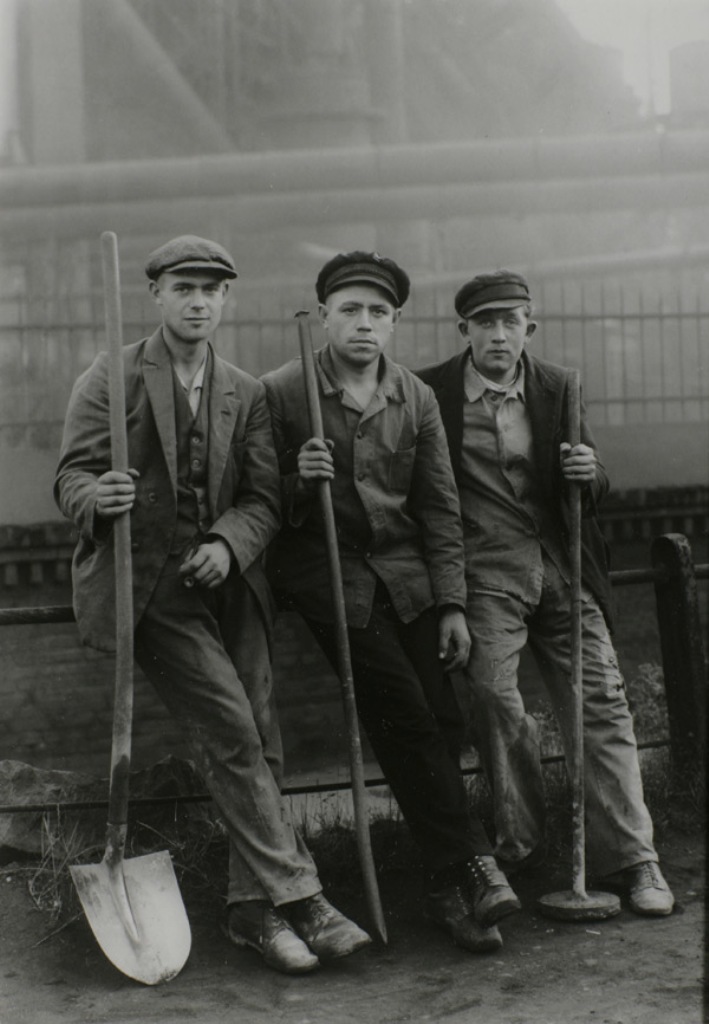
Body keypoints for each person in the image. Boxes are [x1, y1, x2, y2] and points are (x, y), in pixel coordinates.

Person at [54, 235, 372, 975]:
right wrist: (98, 497)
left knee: (262, 737)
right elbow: (69, 477)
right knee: (231, 728)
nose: (199, 302)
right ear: (157, 296)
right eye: (184, 288)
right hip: (151, 586)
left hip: (231, 582)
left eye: (212, 290)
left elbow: (262, 498)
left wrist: (229, 544)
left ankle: (248, 912)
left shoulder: (245, 391)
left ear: (226, 300)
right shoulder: (113, 373)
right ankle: (303, 898)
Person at [262, 251, 521, 955]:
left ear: (395, 321)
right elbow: (250, 499)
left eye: (378, 312)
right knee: (403, 710)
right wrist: (294, 479)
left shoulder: (414, 397)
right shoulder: (282, 391)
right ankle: (473, 862)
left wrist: (452, 606)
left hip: (405, 576)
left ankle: (444, 889)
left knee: (441, 716)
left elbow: (438, 509)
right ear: (325, 316)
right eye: (349, 309)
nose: (364, 324)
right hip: (329, 577)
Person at [417, 269, 674, 916]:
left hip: (558, 567)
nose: (498, 335)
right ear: (464, 330)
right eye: (485, 323)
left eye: (510, 322)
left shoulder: (557, 386)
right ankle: (520, 849)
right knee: (490, 698)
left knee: (602, 703)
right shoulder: (431, 394)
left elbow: (590, 477)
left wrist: (589, 471)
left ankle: (633, 861)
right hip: (483, 574)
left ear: (528, 328)